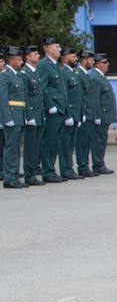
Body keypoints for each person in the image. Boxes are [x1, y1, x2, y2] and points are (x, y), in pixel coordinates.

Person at [36, 38, 68, 182]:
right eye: (57, 46)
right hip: (52, 110)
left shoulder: (55, 65)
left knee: (55, 141)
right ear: (48, 48)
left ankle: (51, 170)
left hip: (60, 108)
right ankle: (47, 171)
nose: (59, 49)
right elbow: (42, 86)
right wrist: (50, 105)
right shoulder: (44, 65)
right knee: (49, 141)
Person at [1, 46, 25, 189]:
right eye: (18, 59)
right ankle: (9, 177)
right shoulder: (4, 76)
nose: (21, 62)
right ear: (11, 60)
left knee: (16, 147)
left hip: (18, 116)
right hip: (12, 116)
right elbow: (2, 98)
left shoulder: (15, 75)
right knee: (11, 147)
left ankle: (14, 175)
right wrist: (7, 118)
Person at [20, 46, 44, 186]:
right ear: (28, 57)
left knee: (36, 146)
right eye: (35, 54)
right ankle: (29, 174)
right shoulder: (24, 74)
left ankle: (33, 171)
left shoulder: (34, 73)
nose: (38, 56)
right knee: (30, 147)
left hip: (38, 115)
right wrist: (29, 116)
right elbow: (25, 97)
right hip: (31, 116)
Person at [58, 48, 84, 180]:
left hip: (75, 113)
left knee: (70, 143)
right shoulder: (63, 73)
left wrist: (80, 113)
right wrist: (67, 114)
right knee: (65, 143)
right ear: (64, 58)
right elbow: (65, 96)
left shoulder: (73, 73)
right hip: (68, 114)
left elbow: (78, 96)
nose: (75, 59)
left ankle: (69, 167)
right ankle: (65, 168)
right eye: (72, 56)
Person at [90, 53, 116, 175]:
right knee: (98, 141)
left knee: (102, 139)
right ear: (98, 64)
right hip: (101, 115)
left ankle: (100, 162)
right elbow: (95, 99)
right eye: (105, 63)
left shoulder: (100, 76)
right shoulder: (95, 77)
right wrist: (97, 115)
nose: (107, 65)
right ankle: (98, 164)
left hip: (105, 115)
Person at [74, 50, 98, 177]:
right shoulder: (78, 74)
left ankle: (85, 165)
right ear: (84, 60)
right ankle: (82, 166)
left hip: (89, 113)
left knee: (87, 141)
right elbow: (80, 96)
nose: (93, 62)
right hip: (84, 113)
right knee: (81, 141)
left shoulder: (86, 75)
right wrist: (82, 112)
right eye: (91, 60)